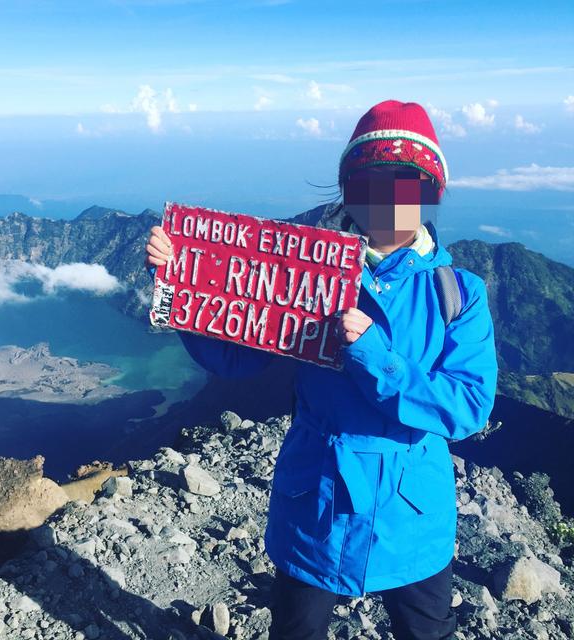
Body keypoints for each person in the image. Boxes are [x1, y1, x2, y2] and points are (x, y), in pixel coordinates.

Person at [145, 100, 499, 640]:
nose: (389, 198)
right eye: (371, 180)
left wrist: (376, 358)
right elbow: (235, 357)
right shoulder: (307, 272)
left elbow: (468, 405)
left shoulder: (458, 293)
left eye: (407, 181)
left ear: (431, 192)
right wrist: (182, 288)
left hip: (406, 515)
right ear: (349, 189)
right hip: (322, 502)